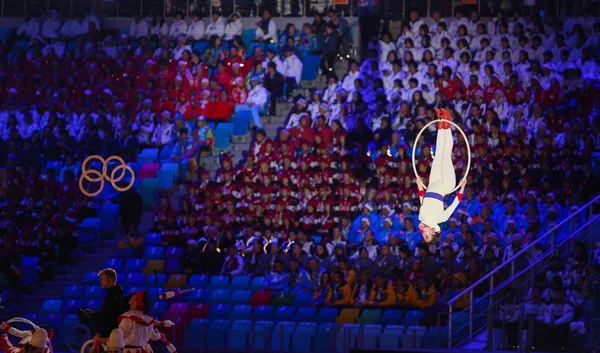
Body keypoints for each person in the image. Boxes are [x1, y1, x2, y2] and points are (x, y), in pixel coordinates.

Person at [416, 109, 467, 244]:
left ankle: (442, 126)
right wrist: (462, 188)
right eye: (427, 236)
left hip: (432, 184)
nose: (423, 234)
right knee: (445, 157)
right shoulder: (441, 219)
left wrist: (419, 186)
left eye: (423, 237)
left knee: (438, 154)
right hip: (445, 185)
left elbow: (423, 200)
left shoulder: (421, 216)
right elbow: (455, 203)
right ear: (433, 232)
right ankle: (447, 124)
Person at [79, 268, 125, 340]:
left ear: (109, 280)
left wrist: (91, 315)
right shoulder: (116, 293)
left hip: (110, 332)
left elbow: (107, 315)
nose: (100, 282)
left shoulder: (112, 295)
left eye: (102, 279)